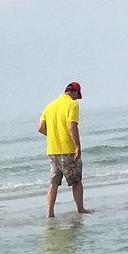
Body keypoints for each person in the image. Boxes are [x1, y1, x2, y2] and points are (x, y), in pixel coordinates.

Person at [38, 81, 90, 216]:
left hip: (52, 150)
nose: (77, 98)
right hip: (68, 149)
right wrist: (77, 146)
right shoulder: (72, 104)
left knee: (54, 182)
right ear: (75, 93)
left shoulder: (49, 106)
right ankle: (81, 209)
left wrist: (54, 136)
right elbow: (72, 126)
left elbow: (41, 128)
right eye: (77, 95)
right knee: (76, 181)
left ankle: (50, 213)